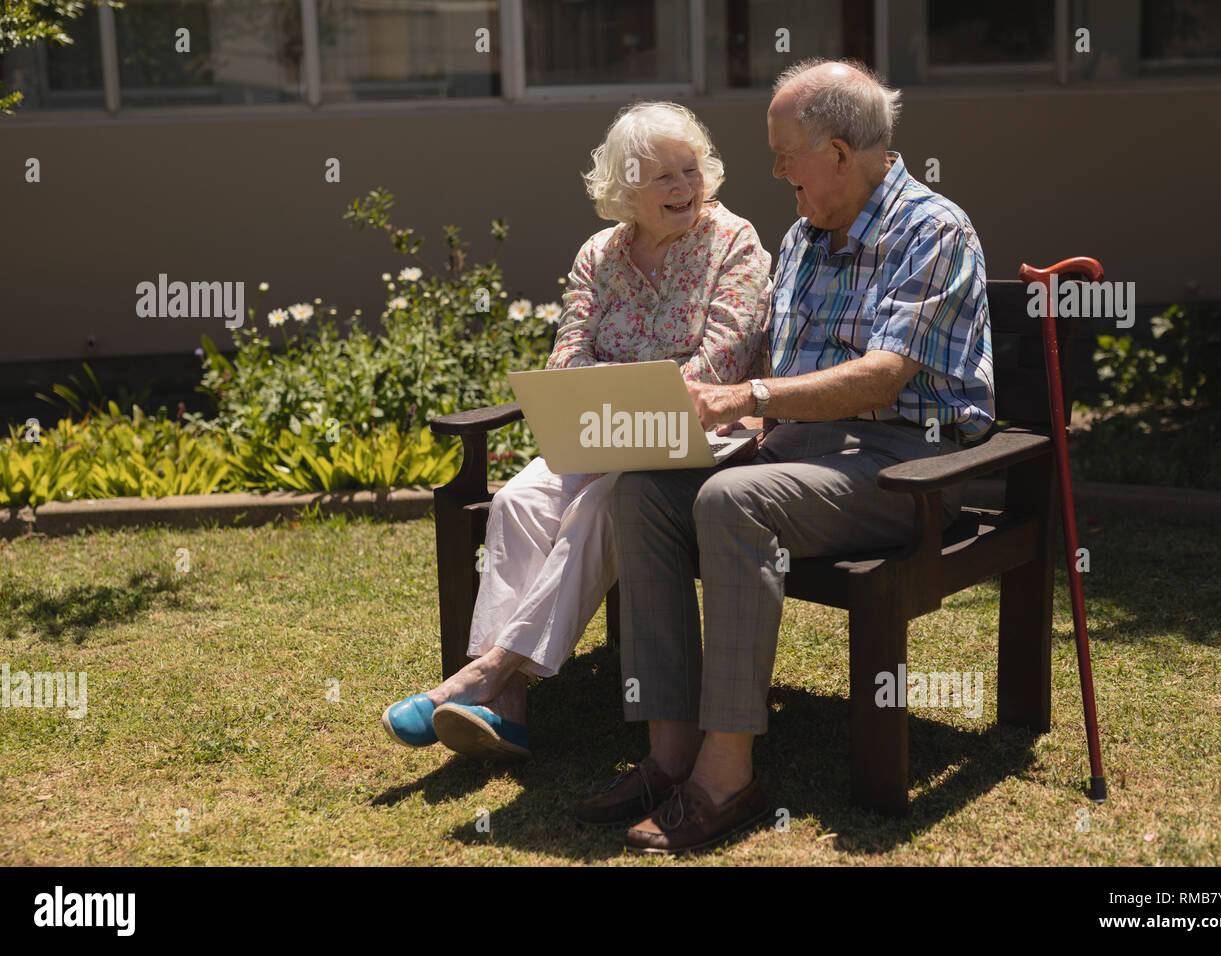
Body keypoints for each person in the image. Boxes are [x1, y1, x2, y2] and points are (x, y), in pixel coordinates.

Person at [574, 59, 997, 852]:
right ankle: (669, 755)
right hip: (795, 453)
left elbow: (883, 374)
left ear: (839, 152)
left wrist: (753, 399)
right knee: (643, 492)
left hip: (906, 466)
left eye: (784, 153)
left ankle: (726, 776)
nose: (772, 171)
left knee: (732, 503)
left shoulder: (933, 230)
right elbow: (763, 356)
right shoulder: (804, 234)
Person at [382, 101, 772, 760]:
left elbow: (721, 362)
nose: (684, 187)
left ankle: (485, 674)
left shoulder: (734, 243)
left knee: (599, 502)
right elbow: (568, 353)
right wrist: (606, 413)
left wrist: (624, 408)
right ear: (626, 189)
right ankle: (505, 711)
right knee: (519, 500)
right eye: (663, 178)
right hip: (603, 429)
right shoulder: (600, 253)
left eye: (690, 169)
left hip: (704, 440)